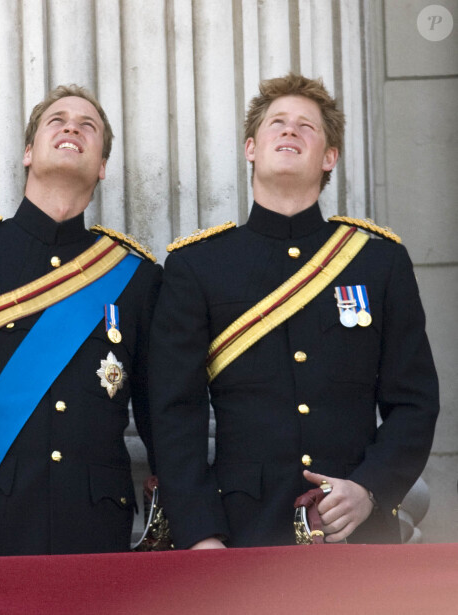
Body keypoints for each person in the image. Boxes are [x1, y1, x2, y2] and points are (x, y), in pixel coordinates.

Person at [149, 73, 439, 549]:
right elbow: (174, 412)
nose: (289, 131)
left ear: (329, 157)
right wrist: (201, 533)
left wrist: (370, 490)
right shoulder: (196, 265)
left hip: (355, 531)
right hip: (241, 531)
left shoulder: (377, 260)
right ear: (250, 148)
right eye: (277, 123)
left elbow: (414, 402)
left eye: (306, 127)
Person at [0, 84, 162, 557]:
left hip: (97, 537)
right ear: (28, 152)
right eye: (56, 120)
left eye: (89, 126)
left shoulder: (136, 278)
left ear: (102, 165)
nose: (72, 128)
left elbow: (161, 414)